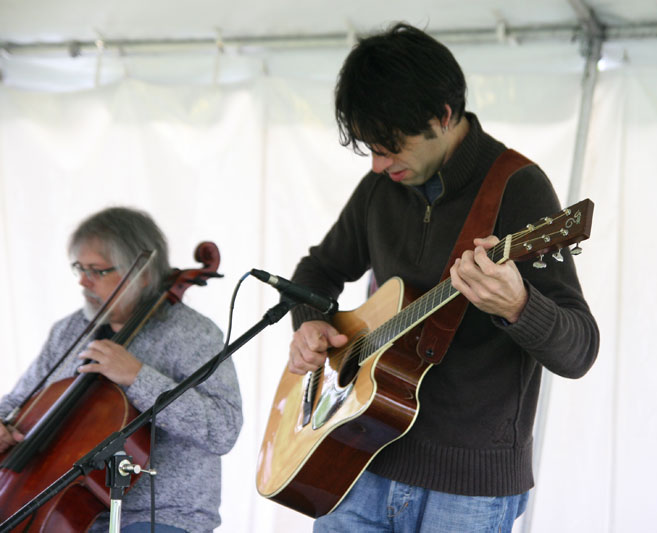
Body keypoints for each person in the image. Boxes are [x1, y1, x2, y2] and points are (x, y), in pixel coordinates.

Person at [285, 23, 600, 532]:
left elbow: (580, 349)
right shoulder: (380, 189)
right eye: (369, 147)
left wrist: (519, 307)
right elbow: (316, 272)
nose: (378, 165)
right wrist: (310, 323)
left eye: (390, 147)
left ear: (443, 116)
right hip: (356, 456)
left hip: (469, 488)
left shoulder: (518, 188)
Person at [0, 207, 243, 533]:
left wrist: (138, 376)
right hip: (61, 508)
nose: (83, 282)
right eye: (79, 268)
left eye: (97, 271)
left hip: (162, 513)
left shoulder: (193, 335)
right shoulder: (70, 330)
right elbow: (20, 400)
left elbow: (222, 429)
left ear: (141, 272)